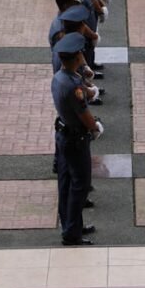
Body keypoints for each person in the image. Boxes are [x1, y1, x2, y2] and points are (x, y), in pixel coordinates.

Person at [51, 32, 104, 246]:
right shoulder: (73, 88)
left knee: (66, 185)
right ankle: (72, 233)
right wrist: (95, 128)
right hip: (75, 139)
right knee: (79, 185)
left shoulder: (60, 78)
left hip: (63, 135)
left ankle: (71, 225)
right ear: (75, 57)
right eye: (80, 54)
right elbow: (84, 115)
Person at [66, 0, 105, 76]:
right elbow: (79, 23)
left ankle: (91, 68)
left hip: (88, 33)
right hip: (83, 35)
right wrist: (92, 35)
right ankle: (88, 89)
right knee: (82, 68)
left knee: (89, 56)